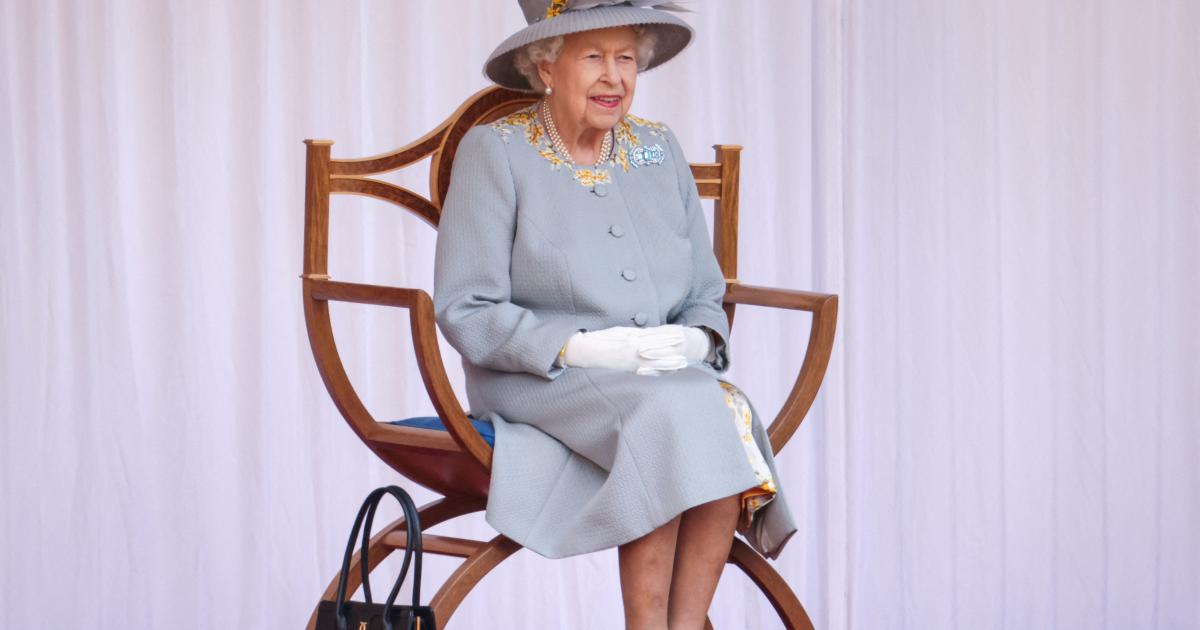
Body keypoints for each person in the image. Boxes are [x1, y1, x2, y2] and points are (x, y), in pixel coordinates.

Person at [432, 1, 798, 627]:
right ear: (546, 66)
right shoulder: (495, 152)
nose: (614, 77)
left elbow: (705, 287)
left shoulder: (657, 147)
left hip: (662, 376)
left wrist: (697, 339)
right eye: (594, 57)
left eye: (626, 58)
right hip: (539, 379)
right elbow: (466, 308)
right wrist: (580, 348)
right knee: (670, 419)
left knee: (712, 410)